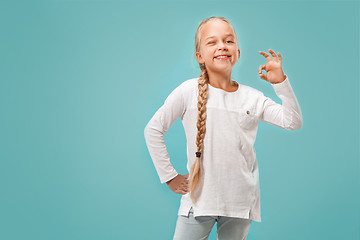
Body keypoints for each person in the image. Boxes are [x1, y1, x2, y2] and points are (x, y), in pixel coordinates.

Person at [144, 16, 303, 240]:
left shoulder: (252, 98)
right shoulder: (187, 91)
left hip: (240, 204)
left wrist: (280, 83)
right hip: (199, 202)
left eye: (229, 41)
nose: (222, 46)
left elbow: (292, 121)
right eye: (212, 42)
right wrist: (169, 176)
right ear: (200, 56)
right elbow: (153, 130)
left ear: (237, 53)